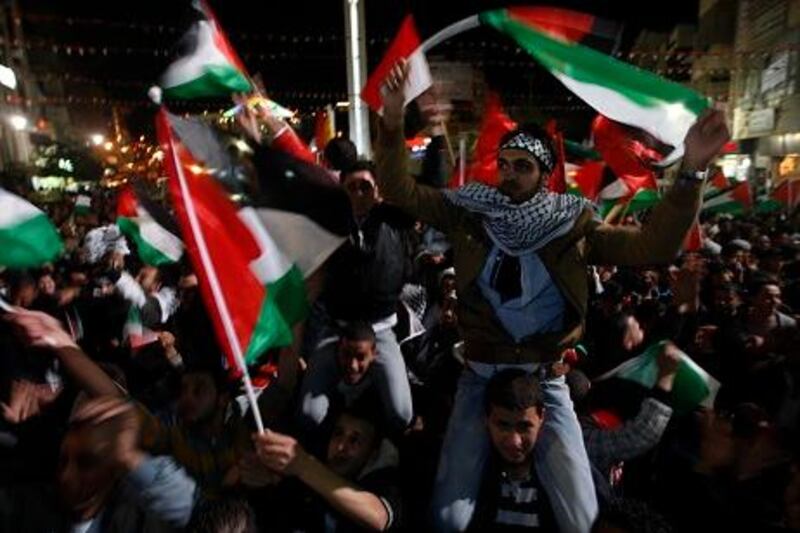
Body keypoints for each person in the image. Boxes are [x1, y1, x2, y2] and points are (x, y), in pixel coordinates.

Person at [376, 59, 730, 532]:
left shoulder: (574, 223)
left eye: (522, 167)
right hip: (481, 374)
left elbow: (654, 245)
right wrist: (395, 118)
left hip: (545, 378)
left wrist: (691, 171)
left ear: (544, 173)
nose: (509, 174)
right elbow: (399, 189)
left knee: (580, 516)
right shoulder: (471, 212)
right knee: (448, 516)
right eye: (504, 164)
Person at [299, 161, 414, 436]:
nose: (359, 193)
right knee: (309, 415)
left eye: (366, 187)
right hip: (336, 329)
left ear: (378, 191)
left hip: (381, 331)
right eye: (352, 187)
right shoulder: (327, 226)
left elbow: (420, 192)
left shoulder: (395, 221)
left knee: (401, 414)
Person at [0, 395, 198, 533]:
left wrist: (129, 456)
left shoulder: (136, 522)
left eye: (86, 463)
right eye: (64, 460)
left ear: (116, 468)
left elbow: (188, 508)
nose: (66, 475)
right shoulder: (26, 507)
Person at [255, 402, 403, 532]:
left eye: (354, 440)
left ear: (372, 454)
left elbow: (378, 517)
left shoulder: (384, 481)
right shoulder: (306, 477)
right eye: (338, 434)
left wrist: (303, 465)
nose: (340, 446)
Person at [468, 369, 557, 532]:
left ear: (541, 417)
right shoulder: (471, 482)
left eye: (524, 427)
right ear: (486, 419)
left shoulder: (564, 481)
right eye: (503, 426)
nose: (514, 442)